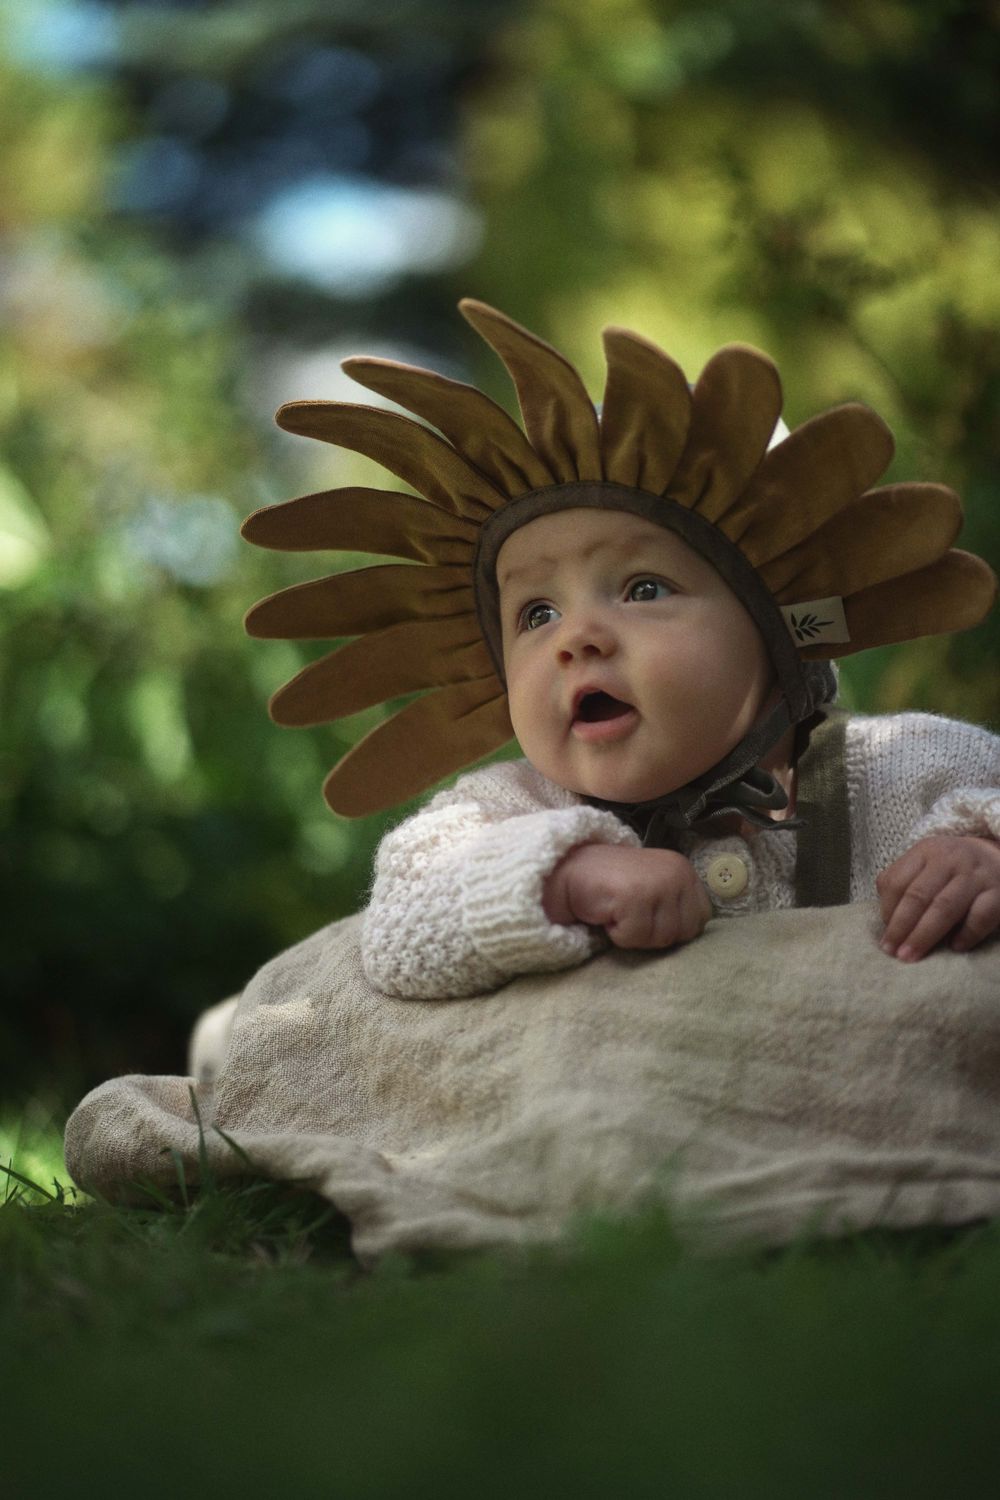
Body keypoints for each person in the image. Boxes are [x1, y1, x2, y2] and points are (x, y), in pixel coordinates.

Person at [241, 300, 1000, 1000]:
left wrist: (982, 861)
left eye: (642, 590)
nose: (577, 637)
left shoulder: (904, 772)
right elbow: (402, 929)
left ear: (780, 630)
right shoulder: (511, 812)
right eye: (536, 613)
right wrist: (565, 877)